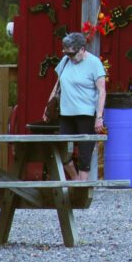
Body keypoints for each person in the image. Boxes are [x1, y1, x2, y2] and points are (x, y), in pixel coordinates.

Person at [49, 31, 106, 179]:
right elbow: (57, 85)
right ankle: (75, 179)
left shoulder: (94, 63)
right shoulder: (65, 61)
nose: (70, 57)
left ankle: (82, 188)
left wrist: (99, 116)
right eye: (67, 54)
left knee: (84, 152)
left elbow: (101, 91)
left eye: (72, 54)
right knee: (63, 151)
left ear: (82, 49)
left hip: (86, 113)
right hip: (66, 113)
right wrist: (48, 105)